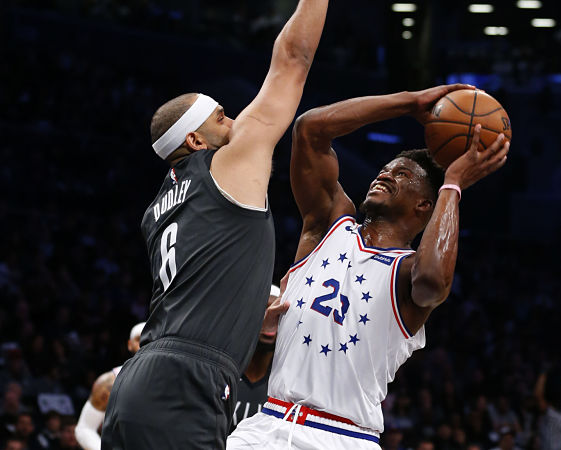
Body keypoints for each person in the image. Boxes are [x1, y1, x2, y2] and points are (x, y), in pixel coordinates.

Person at [101, 1, 330, 448]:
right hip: (185, 382)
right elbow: (293, 61)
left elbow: (199, 282)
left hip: (141, 382)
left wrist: (243, 311)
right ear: (195, 140)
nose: (236, 121)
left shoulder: (157, 209)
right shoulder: (228, 164)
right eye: (222, 117)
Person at [228, 85, 509, 449]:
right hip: (265, 424)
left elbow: (433, 282)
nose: (386, 175)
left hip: (342, 436)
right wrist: (408, 102)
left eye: (403, 175)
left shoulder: (408, 272)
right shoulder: (328, 224)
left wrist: (452, 185)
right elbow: (310, 130)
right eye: (385, 169)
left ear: (425, 206)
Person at [75, 322, 144, 450]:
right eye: (140, 339)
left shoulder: (177, 377)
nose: (144, 344)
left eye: (150, 339)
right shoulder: (110, 381)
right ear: (129, 345)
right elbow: (84, 428)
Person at [232, 285, 286, 429]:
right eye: (262, 310)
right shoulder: (223, 373)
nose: (270, 318)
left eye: (278, 313)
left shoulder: (287, 385)